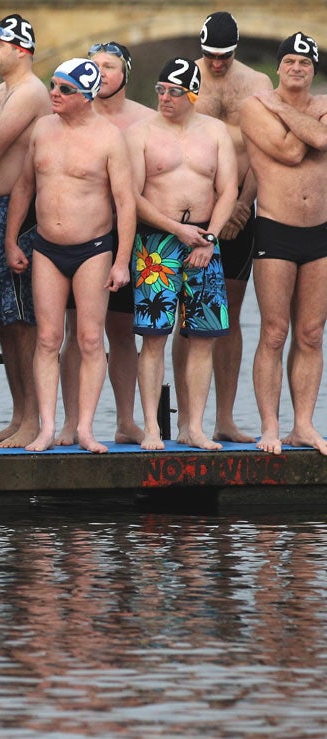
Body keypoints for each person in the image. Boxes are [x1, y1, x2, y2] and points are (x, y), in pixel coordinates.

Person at [5, 58, 135, 454]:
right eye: (53, 85)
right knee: (47, 338)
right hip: (46, 247)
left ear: (87, 96)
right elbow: (24, 187)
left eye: (65, 89)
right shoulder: (43, 129)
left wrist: (121, 261)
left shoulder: (109, 138)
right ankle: (46, 428)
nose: (55, 94)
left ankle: (86, 429)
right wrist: (12, 241)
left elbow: (125, 203)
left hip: (94, 249)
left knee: (91, 338)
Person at [126, 57, 236, 451]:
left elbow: (229, 191)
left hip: (206, 242)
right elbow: (133, 197)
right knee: (154, 338)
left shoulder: (216, 132)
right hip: (157, 243)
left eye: (174, 92)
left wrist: (208, 237)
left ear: (193, 94)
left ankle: (194, 427)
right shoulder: (141, 134)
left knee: (204, 338)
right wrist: (178, 229)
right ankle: (154, 429)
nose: (165, 98)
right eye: (160, 90)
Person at [179, 11, 272, 444]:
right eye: (211, 56)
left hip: (239, 209)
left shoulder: (256, 84)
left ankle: (225, 419)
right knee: (186, 318)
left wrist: (242, 205)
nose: (217, 64)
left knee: (228, 317)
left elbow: (262, 150)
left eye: (225, 56)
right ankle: (186, 421)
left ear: (236, 49)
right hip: (191, 213)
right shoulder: (187, 77)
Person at [57, 41, 152, 448]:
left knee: (122, 330)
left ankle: (127, 421)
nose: (103, 73)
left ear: (125, 74)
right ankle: (72, 422)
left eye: (110, 66)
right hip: (81, 236)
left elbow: (138, 193)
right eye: (96, 66)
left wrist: (126, 254)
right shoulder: (65, 115)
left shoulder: (145, 120)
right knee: (75, 332)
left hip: (129, 234)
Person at [239, 32, 327, 455]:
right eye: (289, 61)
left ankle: (304, 426)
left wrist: (282, 109)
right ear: (278, 67)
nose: (296, 68)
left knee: (311, 333)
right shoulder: (253, 108)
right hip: (275, 228)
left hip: (321, 232)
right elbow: (292, 152)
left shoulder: (313, 105)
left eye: (305, 63)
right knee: (274, 332)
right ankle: (271, 427)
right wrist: (289, 112)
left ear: (313, 69)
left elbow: (323, 141)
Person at [0, 14, 50, 448]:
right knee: (1, 319)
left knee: (23, 319)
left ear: (19, 50)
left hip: (18, 215)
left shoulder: (31, 92)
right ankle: (18, 412)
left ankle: (34, 419)